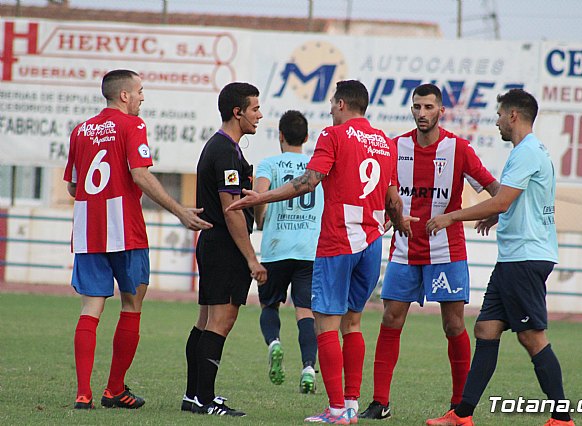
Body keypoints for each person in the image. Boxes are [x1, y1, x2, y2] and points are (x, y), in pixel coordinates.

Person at [227, 79, 417, 425]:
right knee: (353, 324)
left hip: (338, 241)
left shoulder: (334, 136)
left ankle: (335, 411)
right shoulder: (387, 144)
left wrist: (260, 197)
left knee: (325, 325)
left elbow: (309, 181)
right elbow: (393, 199)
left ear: (343, 104)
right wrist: (399, 222)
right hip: (371, 244)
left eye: (332, 103)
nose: (330, 109)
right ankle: (352, 404)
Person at [64, 69, 212, 410]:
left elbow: (73, 186)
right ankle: (114, 389)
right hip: (125, 230)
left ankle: (83, 393)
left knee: (90, 308)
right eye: (140, 91)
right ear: (125, 96)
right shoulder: (132, 126)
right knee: (131, 306)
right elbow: (140, 174)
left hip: (88, 231)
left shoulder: (81, 131)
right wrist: (179, 211)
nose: (143, 97)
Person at [425, 89, 574, 426]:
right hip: (514, 258)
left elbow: (502, 200)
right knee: (487, 328)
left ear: (513, 116)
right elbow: (515, 200)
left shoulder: (526, 152)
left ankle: (562, 418)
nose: (496, 121)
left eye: (499, 115)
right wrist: (497, 215)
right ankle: (462, 415)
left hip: (524, 257)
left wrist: (452, 216)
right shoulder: (530, 151)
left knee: (531, 336)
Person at [359, 84, 500, 420]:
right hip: (404, 251)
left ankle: (458, 406)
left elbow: (496, 190)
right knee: (390, 319)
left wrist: (493, 213)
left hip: (446, 253)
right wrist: (392, 216)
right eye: (417, 107)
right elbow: (381, 193)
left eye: (428, 107)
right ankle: (380, 402)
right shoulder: (395, 148)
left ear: (441, 112)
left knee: (453, 326)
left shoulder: (458, 148)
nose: (421, 113)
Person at [181, 82, 267, 417]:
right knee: (221, 320)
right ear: (237, 112)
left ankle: (194, 397)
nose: (259, 115)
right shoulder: (226, 152)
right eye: (255, 109)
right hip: (225, 246)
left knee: (205, 320)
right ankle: (203, 399)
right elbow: (232, 212)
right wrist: (251, 258)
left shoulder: (223, 148)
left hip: (215, 244)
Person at [253, 110, 324, 393]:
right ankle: (308, 367)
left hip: (275, 248)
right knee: (305, 311)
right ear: (306, 137)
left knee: (270, 305)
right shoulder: (316, 166)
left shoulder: (269, 164)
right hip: (309, 249)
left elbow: (259, 196)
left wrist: (261, 221)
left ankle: (274, 343)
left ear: (280, 135)